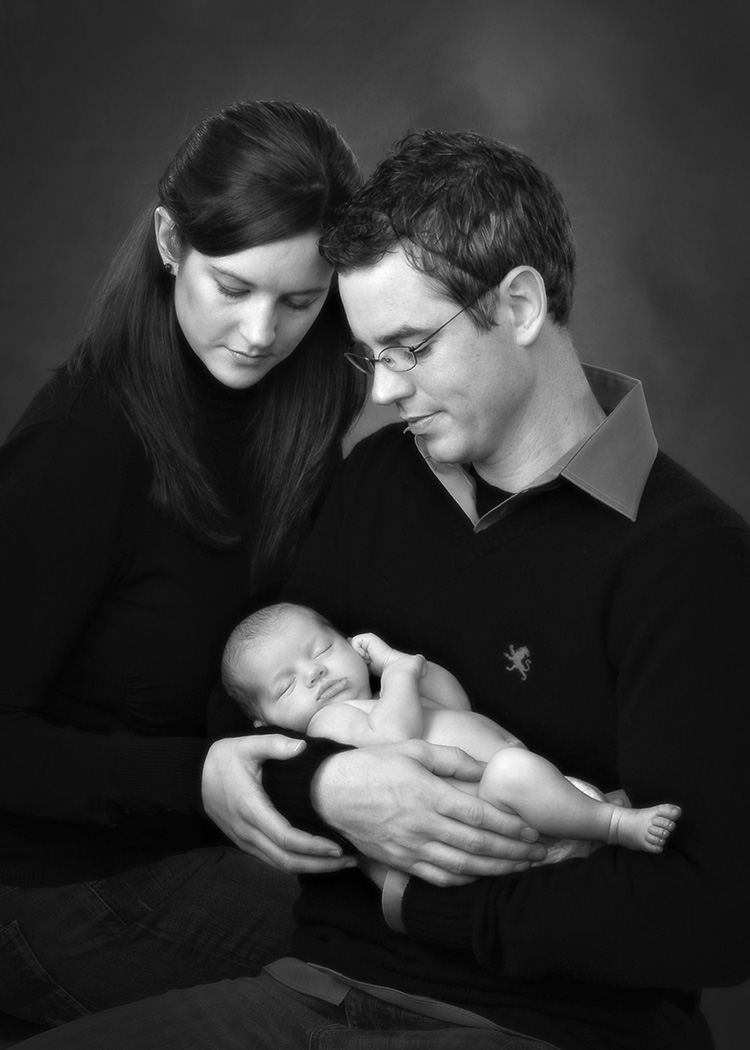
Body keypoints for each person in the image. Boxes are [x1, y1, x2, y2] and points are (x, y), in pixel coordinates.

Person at [14, 129, 750, 1050]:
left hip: (538, 1025)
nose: (386, 391)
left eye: (408, 348)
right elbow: (239, 705)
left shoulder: (691, 560)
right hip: (309, 990)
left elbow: (714, 914)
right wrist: (332, 787)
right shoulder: (378, 481)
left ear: (518, 304)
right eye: (369, 356)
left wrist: (411, 902)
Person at [0, 98, 375, 1023]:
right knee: (393, 937)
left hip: (207, 850)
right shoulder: (80, 446)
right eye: (232, 287)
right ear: (171, 243)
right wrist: (194, 778)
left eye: (299, 301)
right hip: (48, 895)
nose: (260, 333)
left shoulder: (301, 411)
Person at [223, 602, 681, 857]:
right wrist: (400, 671)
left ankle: (592, 810)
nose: (314, 674)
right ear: (264, 723)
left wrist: (402, 666)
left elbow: (453, 703)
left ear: (351, 645)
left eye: (322, 650)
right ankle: (615, 823)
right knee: (512, 771)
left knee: (523, 773)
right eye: (286, 686)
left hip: (541, 797)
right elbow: (393, 740)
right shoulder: (328, 724)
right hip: (503, 811)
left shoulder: (384, 698)